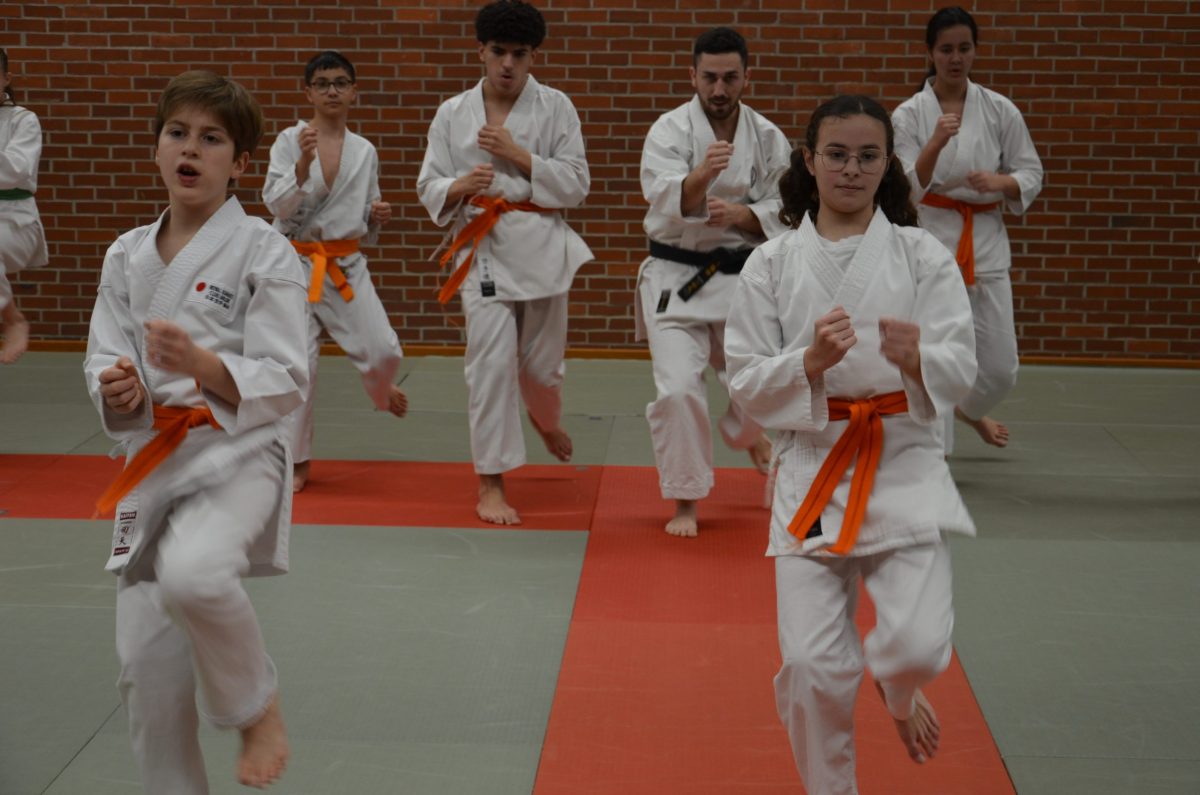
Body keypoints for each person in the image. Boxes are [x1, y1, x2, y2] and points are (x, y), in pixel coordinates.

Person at [724, 95, 978, 793]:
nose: (851, 169)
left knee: (917, 646)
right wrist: (806, 363)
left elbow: (963, 363)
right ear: (809, 161)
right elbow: (744, 378)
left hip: (902, 459)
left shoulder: (921, 255)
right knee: (813, 667)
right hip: (813, 466)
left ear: (888, 163)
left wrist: (922, 357)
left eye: (868, 156)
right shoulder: (772, 262)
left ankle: (898, 689)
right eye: (836, 154)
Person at [84, 70, 309, 792]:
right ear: (156, 147)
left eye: (211, 139)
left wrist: (205, 364)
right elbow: (103, 354)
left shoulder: (264, 250)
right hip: (152, 460)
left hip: (238, 453)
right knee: (144, 672)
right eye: (177, 133)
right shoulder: (125, 255)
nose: (190, 149)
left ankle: (255, 704)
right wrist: (117, 389)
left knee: (195, 572)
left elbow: (287, 375)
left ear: (240, 164)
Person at [417, 0, 592, 525]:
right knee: (489, 366)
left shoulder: (556, 107)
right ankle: (490, 482)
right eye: (499, 52)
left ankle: (544, 419)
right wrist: (458, 186)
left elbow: (576, 185)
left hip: (542, 247)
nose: (508, 64)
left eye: (520, 54)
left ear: (533, 56)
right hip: (484, 249)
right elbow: (429, 184)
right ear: (481, 51)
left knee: (542, 372)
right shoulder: (453, 113)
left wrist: (519, 156)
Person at [636, 27, 790, 537]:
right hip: (676, 278)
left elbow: (788, 207)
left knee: (757, 389)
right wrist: (702, 175)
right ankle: (686, 499)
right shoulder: (668, 131)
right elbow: (662, 196)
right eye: (709, 78)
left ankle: (750, 436)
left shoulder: (767, 137)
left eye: (729, 78)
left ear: (746, 76)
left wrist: (744, 215)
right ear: (693, 76)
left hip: (741, 280)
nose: (719, 89)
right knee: (679, 390)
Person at [892, 6, 1043, 451]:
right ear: (930, 53)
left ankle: (968, 409)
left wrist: (1002, 182)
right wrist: (937, 142)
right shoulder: (909, 114)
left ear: (975, 51)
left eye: (964, 48)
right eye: (946, 49)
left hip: (985, 240)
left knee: (1000, 369)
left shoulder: (999, 109)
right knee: (934, 354)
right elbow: (904, 186)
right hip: (930, 241)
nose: (955, 58)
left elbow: (1031, 171)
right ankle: (933, 457)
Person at [262, 50, 407, 492]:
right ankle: (295, 461)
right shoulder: (290, 141)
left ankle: (381, 389)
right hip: (295, 264)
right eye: (322, 83)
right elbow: (276, 207)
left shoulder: (365, 151)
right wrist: (302, 166)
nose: (331, 91)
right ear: (308, 92)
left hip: (345, 265)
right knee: (297, 366)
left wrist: (375, 215)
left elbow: (365, 214)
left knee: (383, 349)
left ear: (354, 92)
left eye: (340, 83)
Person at [0, 48, 49, 364]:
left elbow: (17, 169)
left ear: (6, 78)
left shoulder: (23, 120)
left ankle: (12, 320)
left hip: (16, 222)